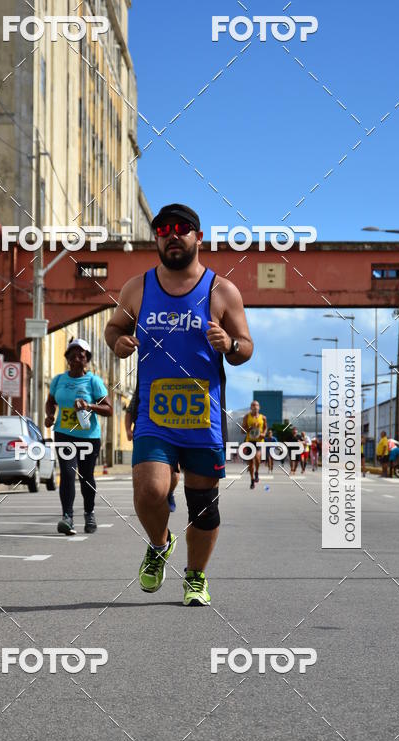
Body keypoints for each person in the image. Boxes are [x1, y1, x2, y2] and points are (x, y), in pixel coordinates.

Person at [105, 202, 253, 606]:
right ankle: (159, 544)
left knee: (202, 505)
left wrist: (230, 344)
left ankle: (195, 577)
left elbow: (246, 347)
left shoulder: (222, 290)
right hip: (154, 413)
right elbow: (114, 327)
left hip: (203, 416)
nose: (172, 235)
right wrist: (118, 342)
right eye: (163, 230)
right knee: (149, 490)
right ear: (156, 238)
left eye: (181, 229)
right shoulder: (137, 288)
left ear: (198, 237)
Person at [44, 338, 113, 535]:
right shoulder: (58, 380)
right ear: (67, 358)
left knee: (86, 476)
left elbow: (109, 409)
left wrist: (89, 406)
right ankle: (67, 517)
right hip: (64, 433)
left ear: (87, 359)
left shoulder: (93, 381)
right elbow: (50, 401)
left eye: (81, 355)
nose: (76, 359)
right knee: (67, 473)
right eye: (72, 355)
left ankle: (89, 513)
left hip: (88, 437)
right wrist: (50, 415)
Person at [126, 380, 180, 511]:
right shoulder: (143, 386)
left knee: (174, 470)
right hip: (147, 433)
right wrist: (128, 430)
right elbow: (130, 411)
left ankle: (169, 492)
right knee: (146, 474)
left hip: (172, 432)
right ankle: (150, 502)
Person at [241, 400, 267, 489]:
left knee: (257, 458)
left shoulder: (263, 418)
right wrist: (251, 428)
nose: (255, 407)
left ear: (259, 407)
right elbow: (242, 430)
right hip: (249, 441)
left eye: (256, 405)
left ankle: (257, 472)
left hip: (259, 441)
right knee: (251, 462)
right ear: (251, 407)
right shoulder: (246, 417)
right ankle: (252, 480)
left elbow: (265, 428)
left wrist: (264, 434)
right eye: (253, 405)